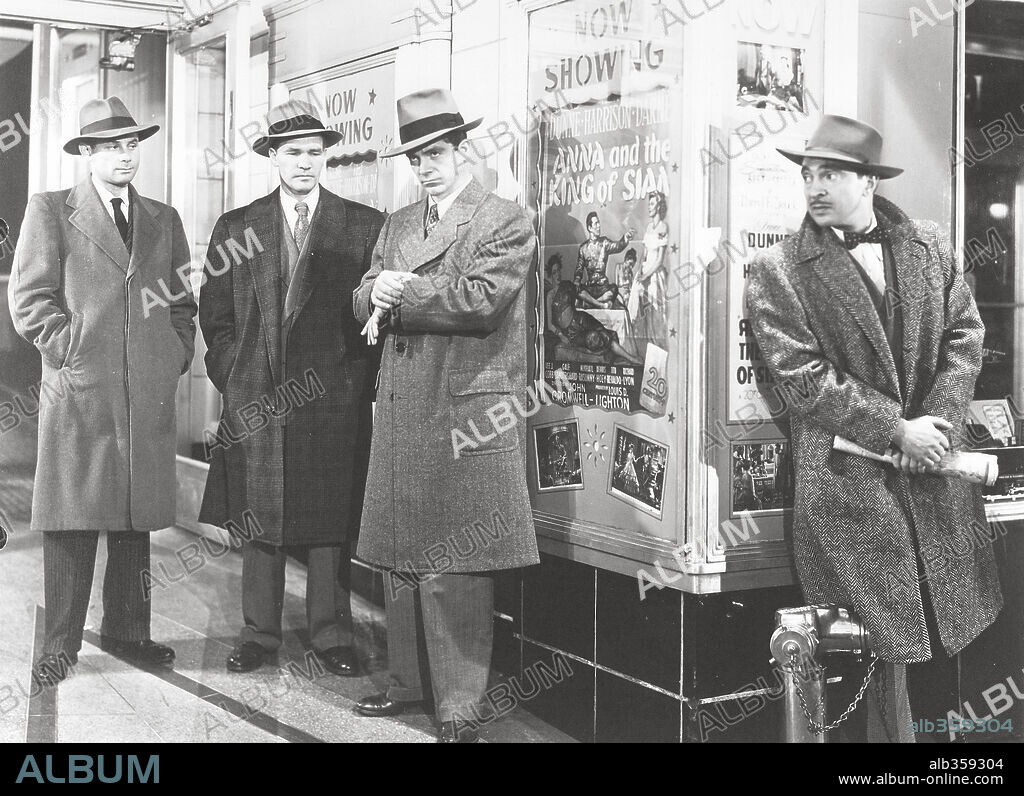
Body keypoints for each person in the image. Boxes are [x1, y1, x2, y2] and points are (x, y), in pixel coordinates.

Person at [745, 115, 1003, 742]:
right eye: (807, 174)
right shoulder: (777, 268)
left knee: (946, 644)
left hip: (933, 485)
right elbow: (799, 377)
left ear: (866, 180)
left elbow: (965, 337)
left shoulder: (927, 243)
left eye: (829, 173)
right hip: (847, 490)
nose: (814, 187)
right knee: (870, 655)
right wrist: (897, 430)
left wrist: (932, 428)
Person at [351, 88, 540, 743]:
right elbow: (362, 294)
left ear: (464, 151)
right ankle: (406, 686)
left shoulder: (505, 219)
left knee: (457, 565)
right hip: (405, 405)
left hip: (465, 409)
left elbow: (481, 301)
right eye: (417, 159)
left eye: (436, 155)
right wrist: (373, 290)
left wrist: (399, 291)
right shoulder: (398, 224)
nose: (426, 168)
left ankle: (460, 707)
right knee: (400, 555)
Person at [8, 97, 196, 684]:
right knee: (72, 520)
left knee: (134, 520)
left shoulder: (164, 218)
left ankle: (129, 632)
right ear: (86, 154)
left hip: (146, 392)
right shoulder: (52, 210)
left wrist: (172, 355)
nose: (125, 155)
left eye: (132, 144)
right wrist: (72, 350)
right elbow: (28, 301)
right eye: (111, 146)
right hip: (79, 391)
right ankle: (60, 645)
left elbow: (182, 301)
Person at [198, 100, 385, 676]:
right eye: (294, 152)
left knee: (330, 517)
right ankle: (259, 632)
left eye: (315, 152)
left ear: (327, 154)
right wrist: (235, 375)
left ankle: (330, 632)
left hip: (331, 397)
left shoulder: (362, 224)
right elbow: (215, 315)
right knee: (260, 515)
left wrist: (352, 385)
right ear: (273, 156)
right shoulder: (238, 226)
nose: (306, 162)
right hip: (257, 393)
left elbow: (373, 319)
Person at [629, 190, 669, 345]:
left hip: (654, 277)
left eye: (652, 204)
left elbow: (659, 260)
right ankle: (643, 351)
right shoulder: (648, 228)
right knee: (639, 313)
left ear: (659, 206)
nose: (649, 207)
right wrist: (639, 271)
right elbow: (644, 255)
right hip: (644, 273)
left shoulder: (663, 227)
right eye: (649, 204)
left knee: (655, 315)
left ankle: (657, 351)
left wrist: (646, 276)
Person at [575, 211, 632, 308]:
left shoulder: (604, 242)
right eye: (596, 223)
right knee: (577, 289)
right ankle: (600, 305)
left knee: (614, 289)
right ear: (589, 228)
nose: (599, 226)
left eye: (599, 223)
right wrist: (576, 281)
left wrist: (625, 239)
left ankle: (590, 303)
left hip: (603, 288)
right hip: (590, 287)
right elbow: (579, 269)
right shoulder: (583, 248)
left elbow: (617, 246)